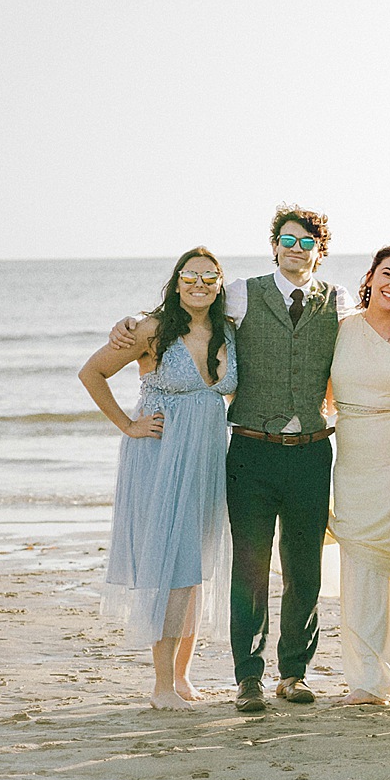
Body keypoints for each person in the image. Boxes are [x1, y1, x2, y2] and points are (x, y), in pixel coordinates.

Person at [115, 206, 355, 712]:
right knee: (249, 568)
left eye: (307, 242)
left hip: (311, 450)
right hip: (249, 449)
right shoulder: (242, 294)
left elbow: (366, 341)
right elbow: (188, 313)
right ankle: (249, 677)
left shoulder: (339, 301)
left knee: (304, 568)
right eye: (287, 240)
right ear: (274, 245)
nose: (296, 249)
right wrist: (134, 322)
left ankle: (295, 673)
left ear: (320, 249)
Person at [80, 249, 236, 709]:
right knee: (168, 564)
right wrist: (127, 425)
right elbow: (92, 372)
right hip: (160, 456)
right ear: (177, 280)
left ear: (220, 283)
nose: (200, 283)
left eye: (210, 276)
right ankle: (162, 686)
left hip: (206, 459)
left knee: (194, 566)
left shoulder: (227, 330)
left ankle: (183, 678)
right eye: (191, 275)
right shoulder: (150, 330)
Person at [329, 246, 390, 705]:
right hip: (353, 455)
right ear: (369, 277)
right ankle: (366, 677)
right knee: (359, 559)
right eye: (388, 274)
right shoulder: (339, 330)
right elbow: (317, 391)